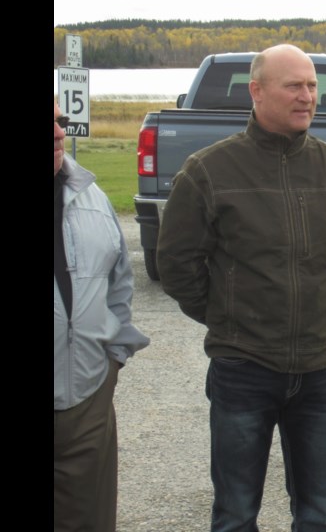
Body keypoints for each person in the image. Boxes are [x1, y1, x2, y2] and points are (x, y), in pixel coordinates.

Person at [156, 44, 326, 532]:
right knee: (235, 515)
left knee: (320, 516)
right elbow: (176, 263)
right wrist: (228, 315)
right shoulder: (209, 171)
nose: (308, 96)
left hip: (321, 372)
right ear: (257, 92)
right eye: (294, 85)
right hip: (243, 370)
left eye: (313, 86)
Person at [54, 101, 150, 532]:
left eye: (59, 122)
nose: (58, 133)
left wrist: (112, 356)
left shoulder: (89, 194)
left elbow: (119, 280)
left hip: (87, 398)